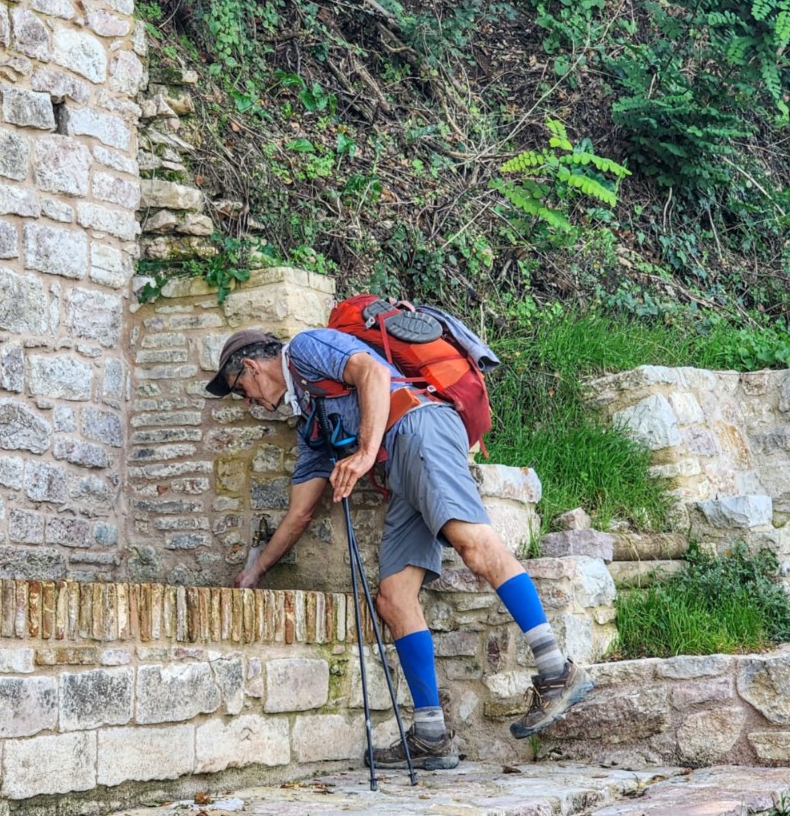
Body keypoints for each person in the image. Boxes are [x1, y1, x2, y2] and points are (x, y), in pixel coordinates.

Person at [205, 326, 592, 767]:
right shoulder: (311, 423)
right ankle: (431, 735)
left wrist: (365, 452)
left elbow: (370, 371)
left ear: (253, 367)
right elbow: (299, 514)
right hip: (399, 468)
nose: (250, 403)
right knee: (393, 598)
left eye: (242, 391)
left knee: (473, 545)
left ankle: (556, 669)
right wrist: (256, 572)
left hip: (419, 425)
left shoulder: (308, 348)